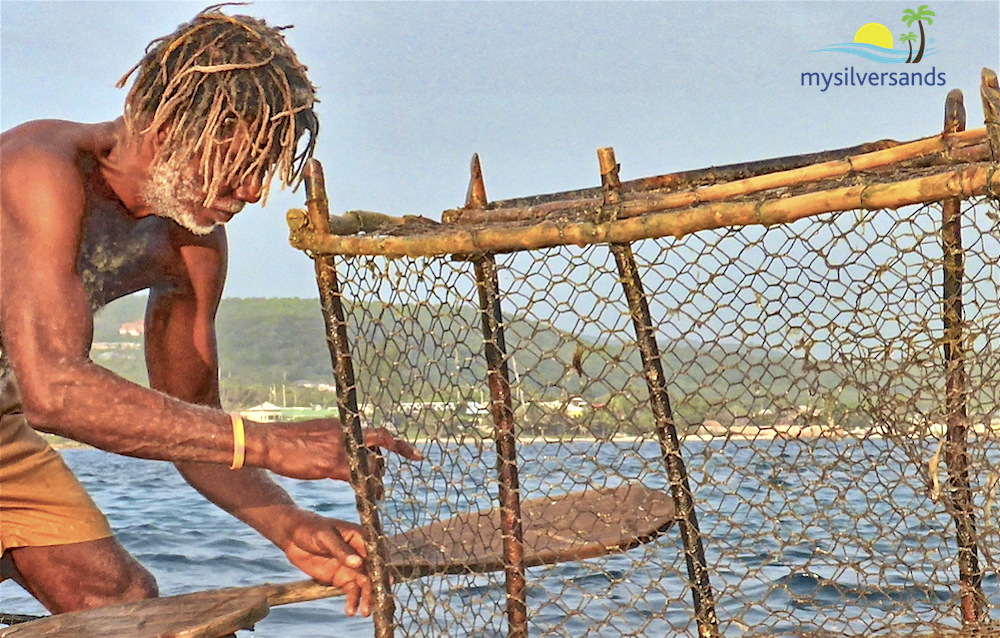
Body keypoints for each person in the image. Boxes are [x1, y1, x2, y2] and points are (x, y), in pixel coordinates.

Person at [0, 6, 420, 620]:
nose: (252, 192)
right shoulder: (39, 171)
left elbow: (194, 423)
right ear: (165, 124)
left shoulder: (192, 247)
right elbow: (55, 391)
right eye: (240, 162)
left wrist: (289, 524)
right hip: (28, 395)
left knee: (118, 604)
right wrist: (273, 444)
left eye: (263, 171)